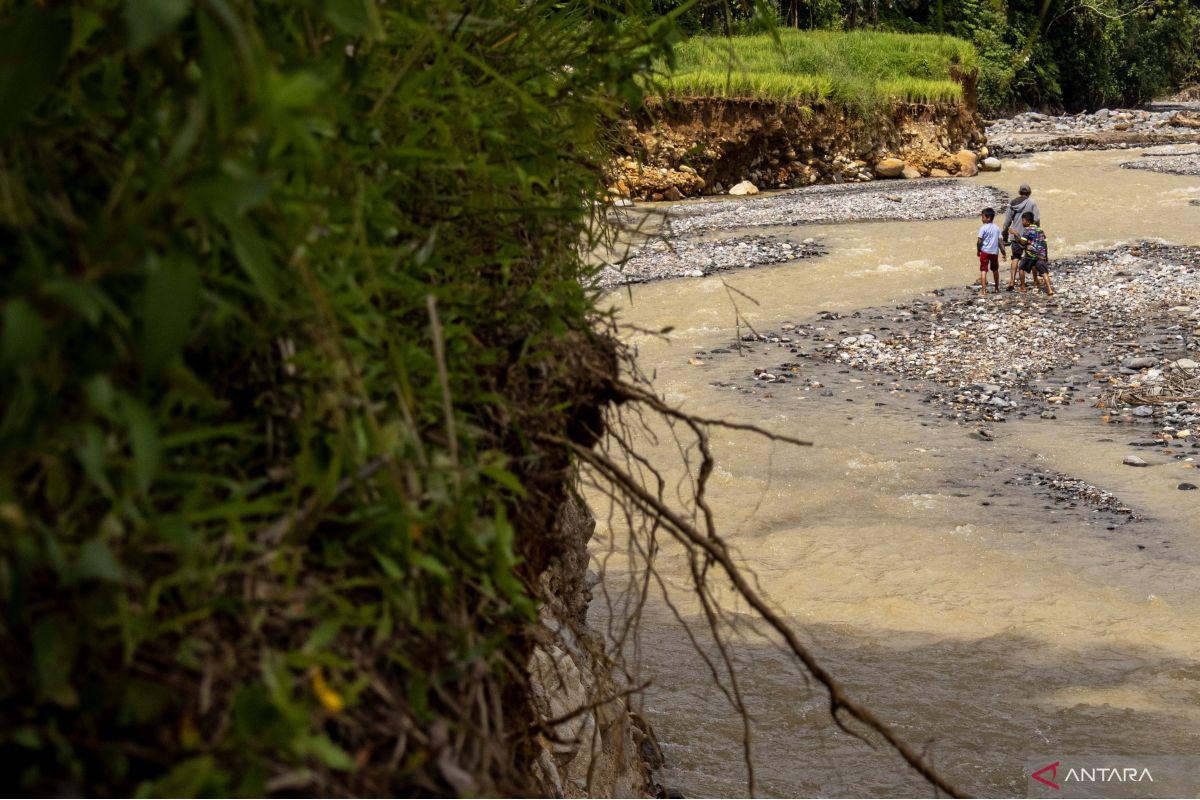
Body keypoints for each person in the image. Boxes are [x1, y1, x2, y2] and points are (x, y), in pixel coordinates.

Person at [1002, 183, 1040, 291]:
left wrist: (1005, 234)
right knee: (1032, 258)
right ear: (1029, 193)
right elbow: (1036, 219)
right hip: (1030, 236)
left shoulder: (1012, 204)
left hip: (1015, 235)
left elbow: (1007, 222)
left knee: (1015, 257)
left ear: (1019, 192)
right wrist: (1037, 232)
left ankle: (1012, 281)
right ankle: (1035, 280)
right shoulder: (1032, 202)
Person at [1010, 210, 1052, 295]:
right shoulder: (1040, 229)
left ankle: (1022, 287)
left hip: (1030, 255)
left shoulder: (1027, 230)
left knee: (1021, 268)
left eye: (1023, 220)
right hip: (1041, 254)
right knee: (1044, 272)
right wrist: (1046, 255)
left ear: (1028, 221)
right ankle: (1049, 289)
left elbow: (1023, 242)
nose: (1022, 222)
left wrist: (1016, 234)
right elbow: (1045, 242)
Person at [976, 207, 1005, 294]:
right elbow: (1000, 241)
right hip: (994, 252)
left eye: (983, 217)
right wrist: (1004, 253)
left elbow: (979, 241)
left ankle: (984, 290)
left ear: (988, 218)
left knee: (983, 270)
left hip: (984, 252)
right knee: (995, 269)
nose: (982, 219)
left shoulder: (983, 228)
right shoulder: (997, 228)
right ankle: (996, 288)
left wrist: (978, 250)